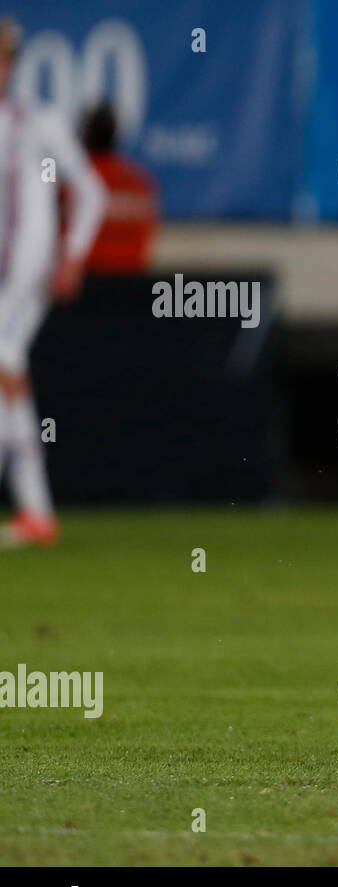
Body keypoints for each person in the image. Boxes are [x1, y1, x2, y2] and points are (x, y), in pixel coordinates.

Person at [0, 18, 107, 547]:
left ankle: (37, 512)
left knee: (4, 358)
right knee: (6, 369)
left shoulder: (37, 122)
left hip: (29, 274)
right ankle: (37, 512)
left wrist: (73, 255)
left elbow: (90, 191)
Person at [79, 102, 159, 275]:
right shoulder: (141, 181)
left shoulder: (76, 181)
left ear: (86, 135)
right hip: (131, 281)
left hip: (88, 281)